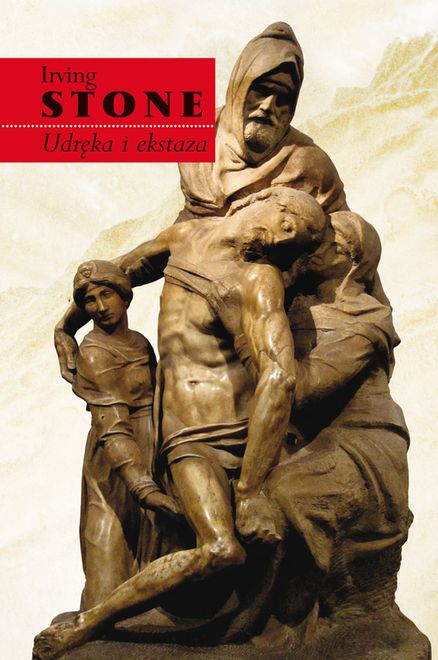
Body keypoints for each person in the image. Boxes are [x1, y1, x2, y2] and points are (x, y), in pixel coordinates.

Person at [33, 188, 326, 660]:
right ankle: (94, 622)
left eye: (299, 238)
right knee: (214, 548)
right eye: (289, 218)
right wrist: (66, 325)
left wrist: (251, 488)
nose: (287, 234)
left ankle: (96, 623)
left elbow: (279, 375)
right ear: (266, 199)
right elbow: (117, 273)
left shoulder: (258, 278)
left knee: (267, 541)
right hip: (184, 435)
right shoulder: (184, 236)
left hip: (241, 432)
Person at [69, 260, 178, 609]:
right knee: (108, 558)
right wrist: (143, 488)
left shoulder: (141, 343)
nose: (100, 307)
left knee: (159, 557)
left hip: (153, 445)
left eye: (106, 295)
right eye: (90, 300)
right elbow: (112, 426)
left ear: (124, 296)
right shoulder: (93, 354)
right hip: (114, 462)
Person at [177, 21, 348, 223]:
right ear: (239, 87)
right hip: (186, 236)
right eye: (261, 91)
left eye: (282, 98)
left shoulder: (309, 164)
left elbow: (346, 231)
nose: (268, 106)